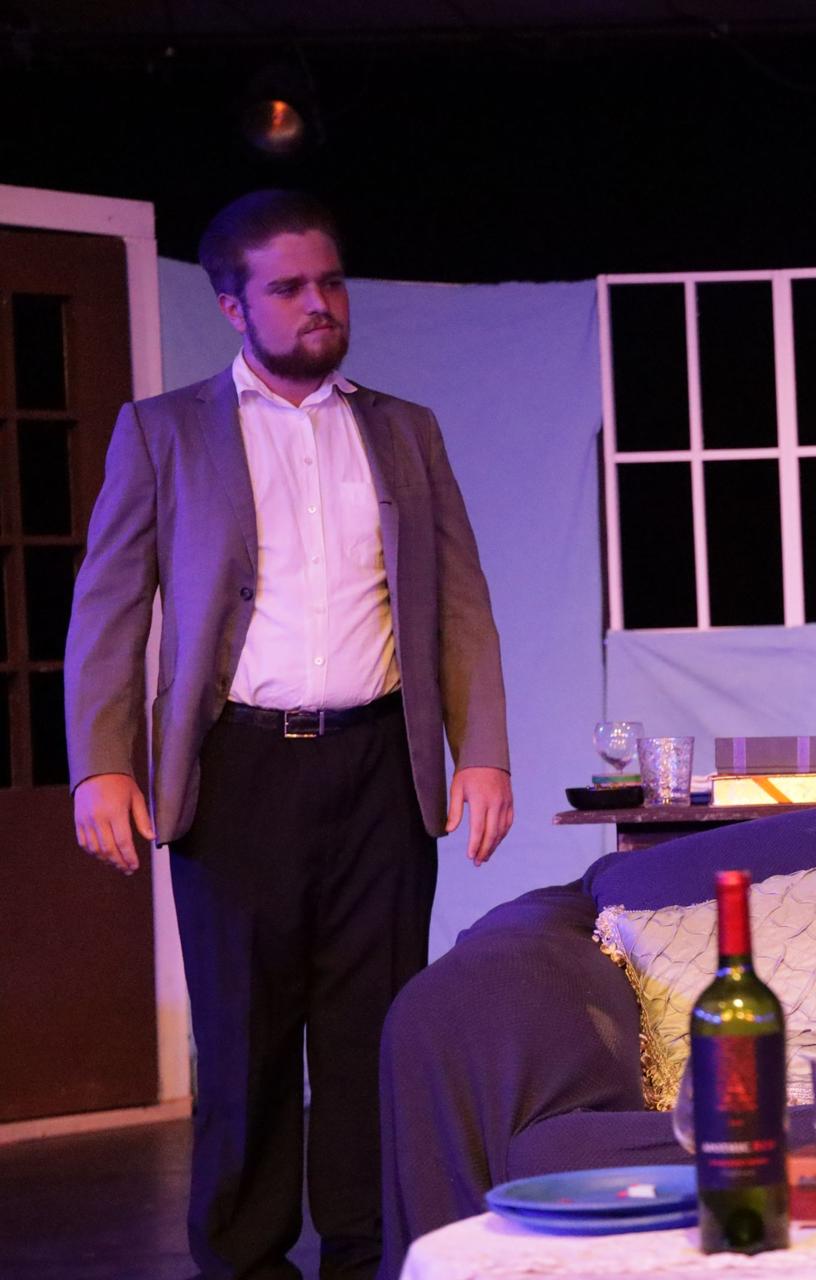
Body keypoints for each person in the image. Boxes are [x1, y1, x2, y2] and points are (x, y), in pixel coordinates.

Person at [64, 189, 514, 1279]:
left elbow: (458, 601)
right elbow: (110, 607)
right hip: (238, 771)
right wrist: (102, 764)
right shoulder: (165, 431)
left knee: (373, 1038)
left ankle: (370, 1258)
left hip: (380, 768)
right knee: (245, 1041)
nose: (320, 303)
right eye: (290, 288)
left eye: (331, 282)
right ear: (233, 306)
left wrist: (483, 749)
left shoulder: (403, 428)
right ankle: (245, 1264)